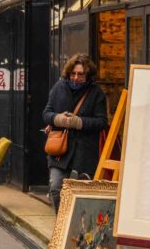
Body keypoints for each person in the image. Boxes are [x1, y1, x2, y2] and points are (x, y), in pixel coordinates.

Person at [42, 53, 109, 213]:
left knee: (80, 195)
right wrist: (58, 119)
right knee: (56, 187)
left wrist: (78, 122)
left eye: (80, 74)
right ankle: (61, 225)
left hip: (84, 153)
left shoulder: (96, 93)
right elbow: (46, 113)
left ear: (88, 75)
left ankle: (75, 231)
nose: (76, 77)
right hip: (60, 150)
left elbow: (102, 122)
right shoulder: (59, 88)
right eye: (73, 73)